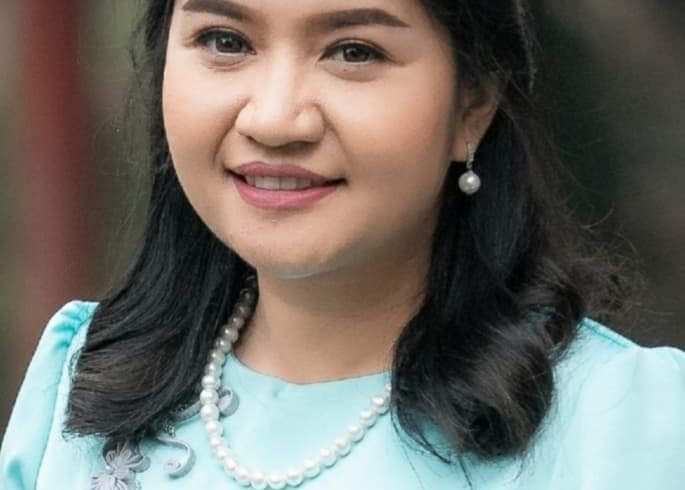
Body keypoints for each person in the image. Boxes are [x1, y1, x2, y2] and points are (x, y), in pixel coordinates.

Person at [2, 0, 684, 489]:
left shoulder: (624, 426)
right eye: (225, 41)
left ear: (472, 104)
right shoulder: (78, 388)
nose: (275, 119)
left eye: (354, 51)